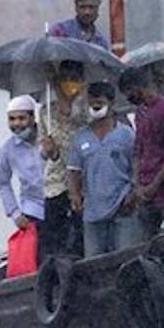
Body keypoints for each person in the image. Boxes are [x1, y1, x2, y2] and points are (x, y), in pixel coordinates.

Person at [67, 82, 139, 257]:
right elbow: (73, 171)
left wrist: (134, 192)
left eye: (99, 102)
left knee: (125, 259)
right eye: (92, 103)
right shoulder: (80, 137)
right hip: (92, 210)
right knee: (93, 263)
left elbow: (136, 165)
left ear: (111, 103)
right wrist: (75, 196)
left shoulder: (126, 134)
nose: (95, 106)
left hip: (122, 206)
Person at [119, 66, 164, 239]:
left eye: (128, 92)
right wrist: (138, 185)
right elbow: (139, 150)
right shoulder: (140, 113)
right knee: (145, 243)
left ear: (138, 87)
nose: (128, 97)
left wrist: (155, 184)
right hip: (145, 190)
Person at [0, 95, 59, 261]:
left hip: (59, 203)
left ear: (33, 117)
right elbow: (2, 183)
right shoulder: (6, 149)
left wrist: (53, 152)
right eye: (12, 119)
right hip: (33, 209)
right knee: (41, 257)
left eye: (22, 118)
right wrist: (14, 213)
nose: (17, 124)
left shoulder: (51, 137)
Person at [36, 60, 89, 257]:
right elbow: (45, 152)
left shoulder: (87, 109)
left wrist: (55, 83)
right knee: (51, 241)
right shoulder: (45, 111)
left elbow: (69, 113)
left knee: (79, 241)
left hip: (84, 185)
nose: (69, 84)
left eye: (74, 79)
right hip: (55, 184)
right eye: (65, 79)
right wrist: (48, 149)